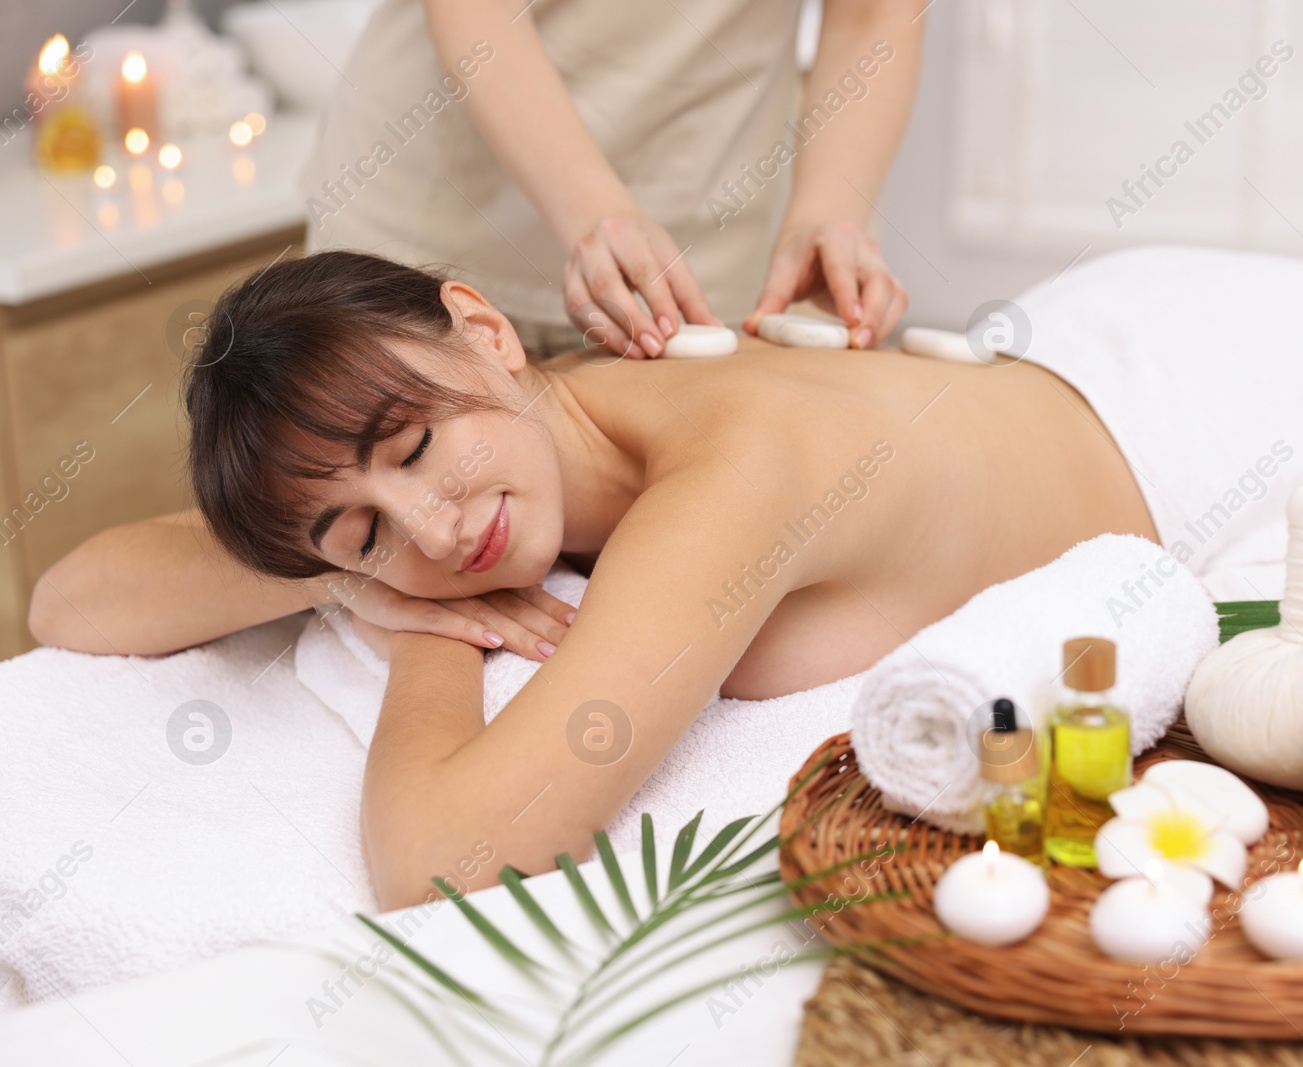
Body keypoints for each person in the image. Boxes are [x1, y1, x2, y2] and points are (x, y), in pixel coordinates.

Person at [30, 251, 1153, 908]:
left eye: (415, 451)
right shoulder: (539, 425)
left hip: (1171, 399)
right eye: (358, 527)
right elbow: (69, 600)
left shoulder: (729, 475)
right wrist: (353, 582)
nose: (431, 525)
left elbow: (440, 860)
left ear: (482, 327)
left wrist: (427, 622)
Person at [302, 0, 921, 359]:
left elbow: (873, 18)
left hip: (699, 266)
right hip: (436, 224)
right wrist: (594, 210)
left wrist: (824, 214)